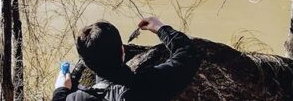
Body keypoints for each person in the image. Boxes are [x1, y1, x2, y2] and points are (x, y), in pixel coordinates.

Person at [52, 16, 201, 101]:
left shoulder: (77, 99)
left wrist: (60, 90)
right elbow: (188, 54)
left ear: (86, 64)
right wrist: (160, 28)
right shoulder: (151, 84)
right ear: (122, 51)